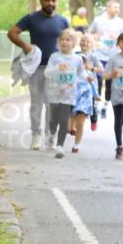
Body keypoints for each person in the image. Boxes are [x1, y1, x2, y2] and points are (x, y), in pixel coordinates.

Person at [7, 0, 71, 149]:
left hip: (56, 70)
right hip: (36, 69)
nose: (50, 3)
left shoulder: (63, 21)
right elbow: (12, 33)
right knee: (36, 104)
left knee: (52, 104)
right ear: (41, 0)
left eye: (53, 0)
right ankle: (36, 135)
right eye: (47, 0)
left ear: (57, 1)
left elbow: (70, 42)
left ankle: (50, 136)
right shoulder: (32, 18)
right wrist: (26, 46)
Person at [43, 29, 87, 158]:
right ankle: (52, 134)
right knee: (53, 120)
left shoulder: (77, 59)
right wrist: (57, 68)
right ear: (58, 42)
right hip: (54, 93)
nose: (64, 42)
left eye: (68, 40)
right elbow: (47, 73)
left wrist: (87, 77)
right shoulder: (54, 57)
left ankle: (60, 146)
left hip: (69, 95)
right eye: (62, 39)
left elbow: (81, 74)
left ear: (73, 43)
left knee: (63, 120)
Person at [88, 0, 123, 118]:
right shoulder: (98, 20)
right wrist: (94, 37)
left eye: (118, 8)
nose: (118, 10)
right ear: (108, 8)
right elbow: (89, 34)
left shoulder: (121, 23)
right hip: (99, 55)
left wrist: (118, 38)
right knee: (98, 80)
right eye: (115, 7)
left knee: (110, 83)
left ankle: (105, 107)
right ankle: (96, 106)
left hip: (114, 57)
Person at [69, 34, 100, 153]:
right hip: (73, 96)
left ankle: (76, 145)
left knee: (81, 120)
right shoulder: (75, 55)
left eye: (87, 42)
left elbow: (101, 70)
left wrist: (91, 69)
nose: (85, 44)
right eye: (83, 41)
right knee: (71, 121)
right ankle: (72, 128)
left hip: (86, 95)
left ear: (91, 44)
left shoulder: (93, 57)